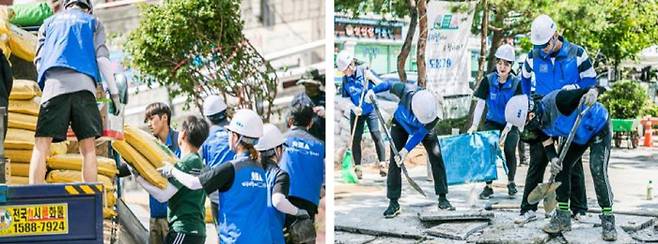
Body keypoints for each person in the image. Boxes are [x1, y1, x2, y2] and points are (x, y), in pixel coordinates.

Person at [504, 87, 616, 241]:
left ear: (531, 113)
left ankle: (608, 218)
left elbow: (593, 87)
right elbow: (546, 140)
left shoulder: (560, 101)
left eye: (526, 122)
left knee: (597, 168)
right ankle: (563, 217)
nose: (528, 127)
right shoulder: (537, 122)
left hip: (598, 127)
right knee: (561, 168)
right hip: (576, 135)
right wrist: (553, 158)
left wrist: (593, 93)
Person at [29, 0, 121, 184]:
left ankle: (34, 198)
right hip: (84, 88)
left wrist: (47, 87)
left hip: (53, 87)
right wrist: (115, 95)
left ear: (66, 5)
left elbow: (39, 61)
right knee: (88, 148)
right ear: (87, 7)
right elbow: (102, 59)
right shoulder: (93, 22)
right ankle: (90, 200)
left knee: (42, 145)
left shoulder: (48, 23)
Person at [516, 14, 596, 223]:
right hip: (543, 112)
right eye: (539, 45)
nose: (542, 48)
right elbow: (524, 78)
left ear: (555, 35)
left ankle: (579, 209)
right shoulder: (532, 56)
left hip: (568, 110)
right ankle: (528, 208)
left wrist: (576, 88)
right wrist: (527, 101)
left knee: (572, 162)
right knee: (538, 160)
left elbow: (591, 79)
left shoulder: (577, 53)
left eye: (545, 44)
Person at [159, 109, 272, 243]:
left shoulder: (231, 168)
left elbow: (194, 183)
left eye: (229, 133)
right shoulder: (260, 169)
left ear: (235, 137)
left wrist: (172, 171)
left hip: (236, 239)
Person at [372, 81, 455, 218]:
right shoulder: (406, 91)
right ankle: (393, 202)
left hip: (421, 131)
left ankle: (443, 198)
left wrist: (405, 150)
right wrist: (372, 91)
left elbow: (420, 134)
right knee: (395, 160)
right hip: (400, 124)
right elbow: (387, 84)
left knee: (436, 156)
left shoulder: (433, 114)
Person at [135, 115, 208, 244]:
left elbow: (163, 196)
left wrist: (139, 178)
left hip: (183, 230)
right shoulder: (197, 161)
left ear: (183, 134)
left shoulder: (187, 163)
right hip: (195, 231)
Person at [468, 44, 522, 199]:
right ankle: (488, 185)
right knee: (489, 150)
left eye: (506, 64)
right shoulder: (488, 80)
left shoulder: (517, 83)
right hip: (492, 121)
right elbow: (480, 104)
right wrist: (474, 125)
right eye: (500, 63)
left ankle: (511, 182)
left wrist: (509, 127)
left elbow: (519, 108)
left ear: (511, 66)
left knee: (510, 149)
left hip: (510, 122)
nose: (502, 67)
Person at [255, 124, 311, 244]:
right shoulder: (279, 175)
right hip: (272, 236)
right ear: (277, 150)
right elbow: (278, 201)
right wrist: (298, 212)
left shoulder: (252, 172)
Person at [279, 95, 325, 242]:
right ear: (310, 122)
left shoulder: (281, 141)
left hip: (282, 204)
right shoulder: (319, 146)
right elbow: (322, 186)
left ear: (290, 120)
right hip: (308, 208)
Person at [337, 50, 388, 178]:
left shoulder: (365, 72)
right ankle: (358, 168)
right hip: (357, 112)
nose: (344, 73)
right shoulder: (345, 80)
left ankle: (382, 164)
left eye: (345, 70)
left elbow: (383, 85)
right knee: (356, 139)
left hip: (370, 109)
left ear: (351, 65)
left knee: (376, 135)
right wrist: (353, 108)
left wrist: (372, 79)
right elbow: (344, 99)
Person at [144, 102, 180, 243]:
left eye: (151, 119)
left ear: (164, 117)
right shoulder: (150, 144)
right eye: (147, 120)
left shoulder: (180, 141)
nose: (148, 124)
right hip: (155, 214)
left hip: (175, 217)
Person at [199, 95, 234, 224]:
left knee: (222, 232)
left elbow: (199, 164)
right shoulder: (235, 132)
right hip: (239, 192)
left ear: (207, 117)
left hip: (217, 197)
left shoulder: (205, 137)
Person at [294, 68, 326, 142]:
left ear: (317, 85)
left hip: (323, 140)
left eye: (311, 85)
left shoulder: (326, 98)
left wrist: (325, 114)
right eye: (306, 85)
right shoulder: (298, 99)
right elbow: (289, 120)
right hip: (304, 141)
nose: (309, 88)